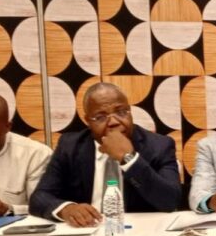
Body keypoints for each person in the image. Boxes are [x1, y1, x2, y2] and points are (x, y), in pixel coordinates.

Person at [30, 82, 181, 226]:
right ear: (88, 121)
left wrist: (129, 159)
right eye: (101, 117)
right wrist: (66, 209)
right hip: (88, 229)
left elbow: (170, 201)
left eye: (121, 112)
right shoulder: (69, 147)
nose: (113, 122)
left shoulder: (159, 146)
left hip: (140, 231)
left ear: (130, 111)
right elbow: (39, 197)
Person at [0, 92, 52, 217]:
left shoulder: (36, 154)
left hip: (18, 227)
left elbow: (45, 206)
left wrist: (9, 209)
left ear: (7, 127)